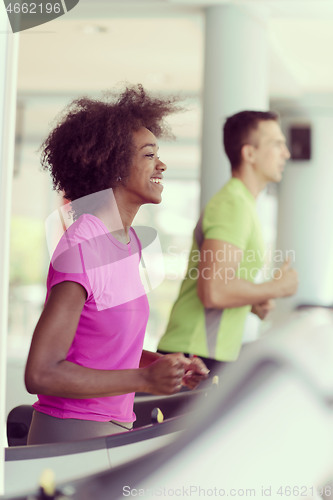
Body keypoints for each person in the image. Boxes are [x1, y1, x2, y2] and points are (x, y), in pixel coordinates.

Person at [24, 85, 209, 445]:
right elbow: (41, 373)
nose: (162, 164)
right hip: (69, 437)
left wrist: (162, 366)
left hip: (111, 432)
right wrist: (143, 382)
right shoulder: (82, 246)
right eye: (148, 155)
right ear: (113, 165)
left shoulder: (130, 242)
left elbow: (103, 347)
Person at [158, 110, 298, 373]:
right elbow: (214, 291)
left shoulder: (242, 203)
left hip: (206, 351)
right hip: (193, 353)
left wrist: (254, 299)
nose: (286, 153)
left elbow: (222, 285)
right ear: (249, 154)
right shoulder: (233, 204)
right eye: (277, 144)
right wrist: (275, 288)